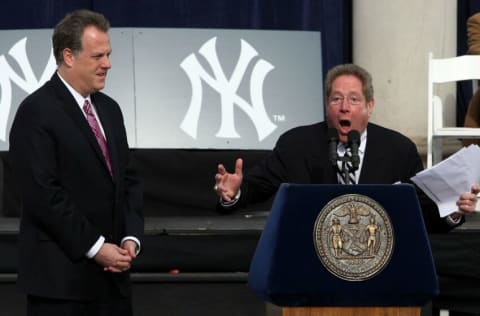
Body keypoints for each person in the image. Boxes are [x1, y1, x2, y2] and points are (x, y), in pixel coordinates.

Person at [214, 63, 479, 233]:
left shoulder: (399, 149)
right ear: (326, 103)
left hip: (379, 261)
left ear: (370, 106)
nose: (344, 107)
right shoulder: (296, 144)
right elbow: (257, 187)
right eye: (336, 99)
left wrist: (453, 210)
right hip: (310, 258)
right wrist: (234, 192)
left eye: (354, 99)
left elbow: (422, 214)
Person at [9, 10, 143, 316]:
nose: (107, 64)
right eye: (98, 56)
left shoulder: (110, 110)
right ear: (68, 56)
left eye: (108, 54)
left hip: (113, 284)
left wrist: (130, 237)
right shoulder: (36, 112)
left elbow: (129, 178)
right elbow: (43, 195)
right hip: (61, 286)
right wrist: (97, 248)